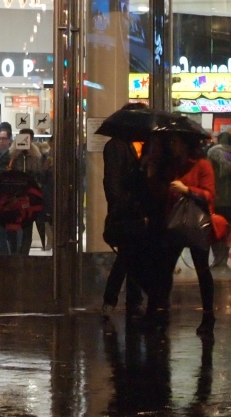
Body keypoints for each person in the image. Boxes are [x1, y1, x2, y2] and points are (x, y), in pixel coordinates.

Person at [164, 133, 217, 336]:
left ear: (186, 144)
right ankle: (160, 311)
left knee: (202, 269)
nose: (173, 145)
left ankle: (208, 315)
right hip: (175, 222)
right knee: (166, 268)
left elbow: (209, 195)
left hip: (196, 223)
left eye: (176, 141)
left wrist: (186, 189)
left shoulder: (202, 165)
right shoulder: (174, 165)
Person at [101, 118, 147, 322]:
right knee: (127, 256)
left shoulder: (143, 145)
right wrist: (121, 205)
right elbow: (112, 181)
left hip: (139, 209)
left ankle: (128, 301)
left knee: (133, 256)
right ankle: (115, 301)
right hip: (126, 211)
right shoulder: (116, 146)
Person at [205, 132, 231, 268]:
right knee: (226, 229)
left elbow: (217, 169)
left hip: (218, 196)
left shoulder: (214, 151)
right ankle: (223, 258)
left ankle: (218, 258)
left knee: (216, 229)